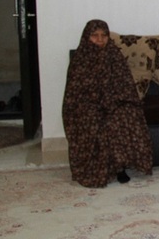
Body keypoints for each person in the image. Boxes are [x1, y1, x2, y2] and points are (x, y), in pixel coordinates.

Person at [62, 19, 153, 188]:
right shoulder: (80, 59)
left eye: (104, 35)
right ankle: (100, 168)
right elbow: (74, 94)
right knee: (96, 119)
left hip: (114, 100)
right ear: (87, 37)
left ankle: (119, 167)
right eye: (95, 35)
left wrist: (114, 101)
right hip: (87, 105)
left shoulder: (114, 55)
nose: (100, 39)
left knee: (125, 114)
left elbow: (125, 84)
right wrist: (97, 102)